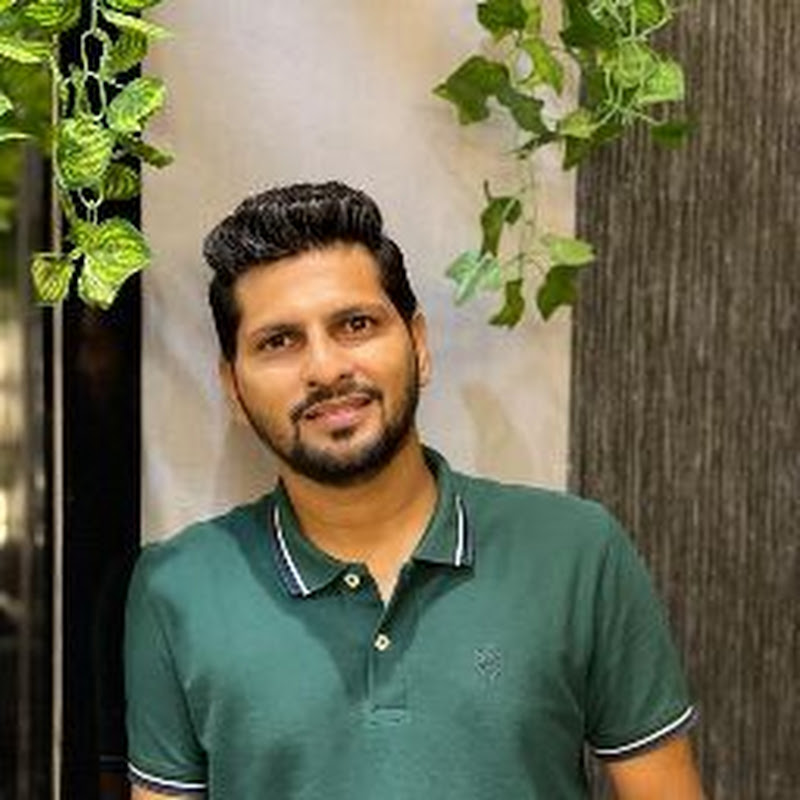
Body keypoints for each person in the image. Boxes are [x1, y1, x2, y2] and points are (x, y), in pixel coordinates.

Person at [125, 181, 705, 799]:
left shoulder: (576, 551)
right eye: (279, 342)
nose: (325, 368)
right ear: (233, 389)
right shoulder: (176, 588)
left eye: (355, 324)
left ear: (419, 345)